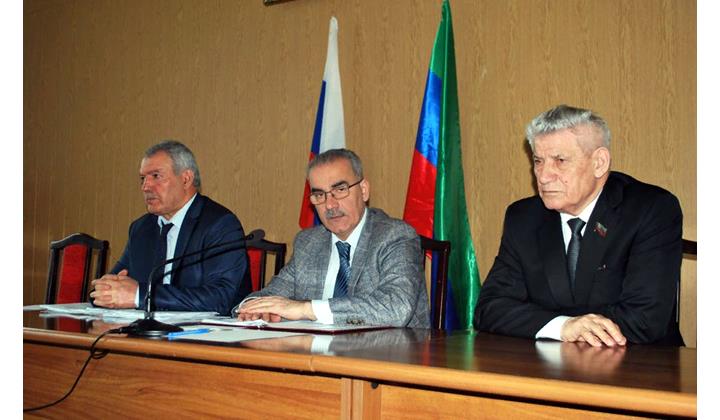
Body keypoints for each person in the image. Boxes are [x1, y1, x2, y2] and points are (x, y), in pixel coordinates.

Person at [473, 105, 684, 346]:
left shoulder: (650, 209)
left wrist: (558, 323)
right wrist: (563, 326)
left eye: (560, 160)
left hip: (641, 361)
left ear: (599, 163)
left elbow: (645, 319)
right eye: (538, 161)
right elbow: (489, 309)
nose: (543, 176)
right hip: (550, 362)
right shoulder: (524, 218)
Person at [233, 148, 430, 328]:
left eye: (340, 190)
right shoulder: (309, 242)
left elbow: (397, 308)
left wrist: (307, 309)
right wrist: (252, 308)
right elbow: (273, 295)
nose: (330, 205)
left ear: (363, 190)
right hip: (315, 351)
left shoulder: (395, 236)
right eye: (319, 195)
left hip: (387, 352)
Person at [90, 140, 252, 315]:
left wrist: (141, 295)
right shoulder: (141, 228)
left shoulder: (220, 224)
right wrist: (105, 292)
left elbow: (221, 298)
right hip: (146, 329)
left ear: (186, 179)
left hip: (202, 331)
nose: (145, 187)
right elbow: (104, 289)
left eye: (156, 176)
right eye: (143, 178)